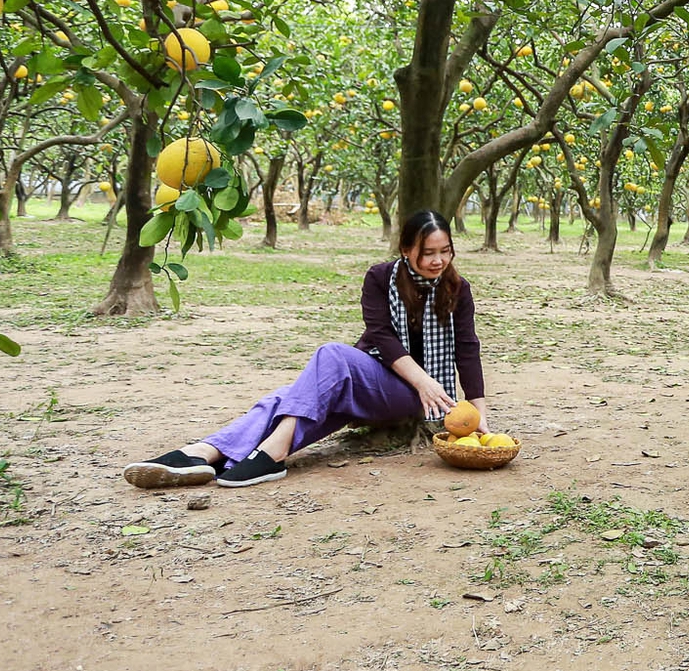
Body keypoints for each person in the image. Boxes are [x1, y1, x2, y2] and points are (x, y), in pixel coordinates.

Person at [123, 209, 488, 489]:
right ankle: (206, 453)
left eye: (445, 251)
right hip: (378, 377)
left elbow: (467, 349)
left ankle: (272, 453)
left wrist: (477, 413)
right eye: (428, 253)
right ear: (407, 249)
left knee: (332, 355)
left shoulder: (458, 289)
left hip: (419, 396)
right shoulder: (380, 278)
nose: (438, 261)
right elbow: (381, 337)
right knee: (289, 398)